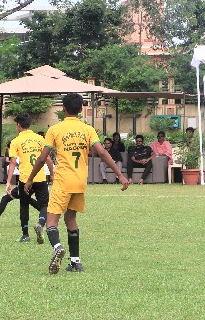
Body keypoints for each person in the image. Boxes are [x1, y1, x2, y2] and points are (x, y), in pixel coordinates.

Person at [24, 93, 129, 274]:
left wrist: (30, 178)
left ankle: (57, 247)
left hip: (63, 180)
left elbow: (42, 158)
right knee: (71, 219)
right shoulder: (87, 129)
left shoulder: (55, 130)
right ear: (81, 109)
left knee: (51, 222)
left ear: (63, 109)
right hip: (80, 182)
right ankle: (75, 262)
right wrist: (120, 175)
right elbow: (102, 153)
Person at [6, 113, 54, 243]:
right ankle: (40, 223)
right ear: (30, 124)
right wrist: (52, 174)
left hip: (25, 179)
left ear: (18, 125)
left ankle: (25, 234)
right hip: (40, 177)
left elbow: (12, 162)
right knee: (45, 205)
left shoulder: (15, 141)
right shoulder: (39, 138)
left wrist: (8, 181)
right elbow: (47, 158)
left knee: (24, 204)